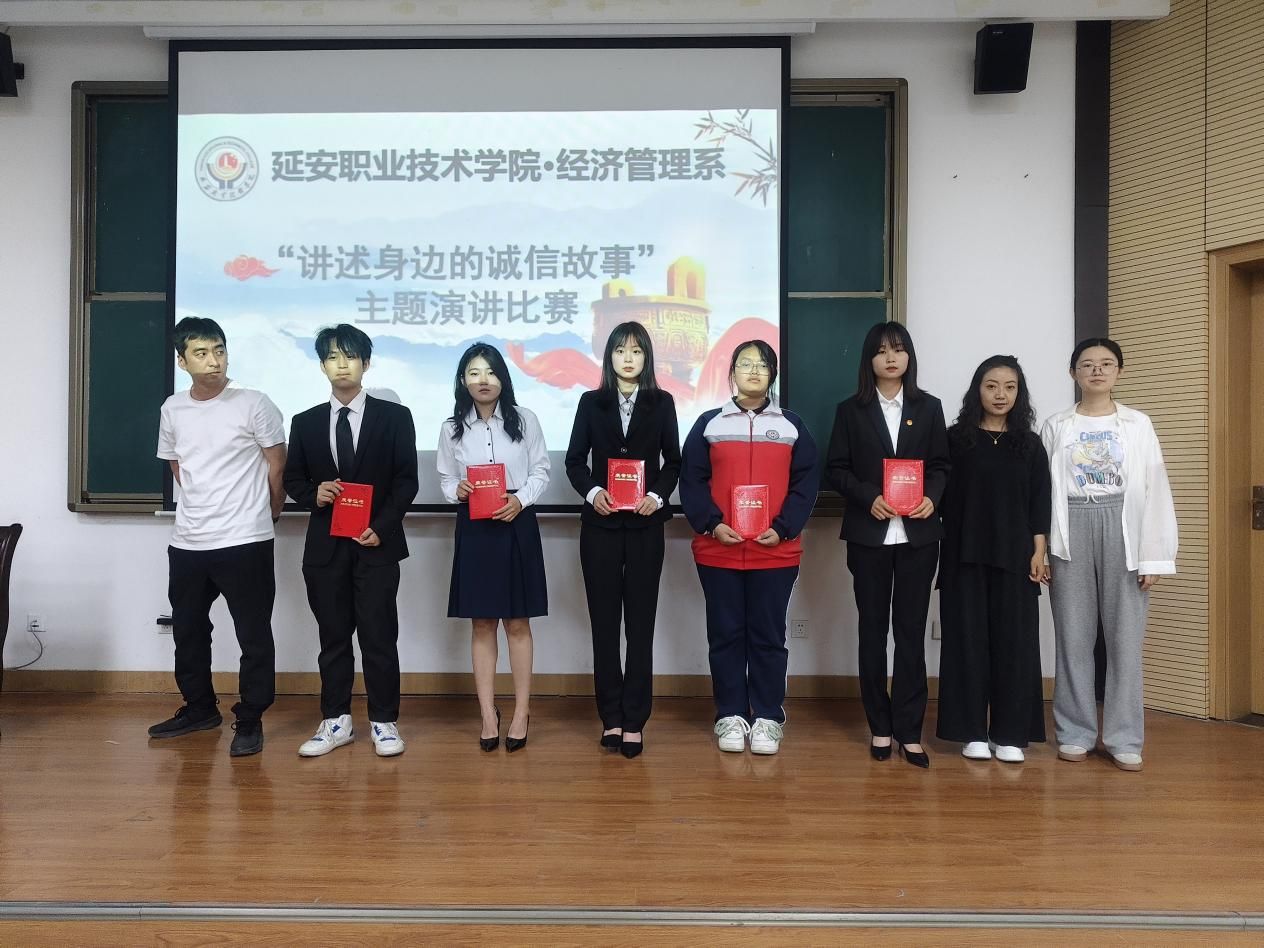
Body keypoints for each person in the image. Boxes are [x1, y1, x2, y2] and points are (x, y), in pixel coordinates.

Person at [150, 316, 286, 757]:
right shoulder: (173, 408)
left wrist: (269, 513)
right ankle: (199, 708)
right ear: (182, 361)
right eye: (202, 353)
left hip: (245, 538)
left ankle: (250, 718)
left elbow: (277, 464)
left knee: (253, 633)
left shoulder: (254, 403)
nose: (214, 360)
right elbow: (177, 466)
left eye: (220, 350)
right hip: (188, 541)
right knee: (188, 629)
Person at [1041, 338, 1177, 773]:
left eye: (1106, 363)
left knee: (1125, 640)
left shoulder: (1138, 424)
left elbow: (1155, 489)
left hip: (1124, 525)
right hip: (1071, 524)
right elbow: (1042, 492)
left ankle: (1124, 737)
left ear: (1119, 371)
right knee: (1072, 636)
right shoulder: (1056, 425)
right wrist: (1042, 548)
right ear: (1073, 373)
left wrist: (1153, 555)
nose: (1097, 370)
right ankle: (1075, 733)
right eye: (1087, 364)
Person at [283, 324, 418, 759]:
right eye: (332, 357)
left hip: (376, 544)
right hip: (325, 549)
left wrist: (383, 525)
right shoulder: (305, 422)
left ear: (366, 362)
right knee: (333, 638)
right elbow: (293, 479)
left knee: (379, 636)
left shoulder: (394, 417)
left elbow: (406, 481)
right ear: (322, 366)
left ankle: (383, 721)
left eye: (350, 356)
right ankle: (335, 720)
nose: (342, 365)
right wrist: (314, 493)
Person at [679, 339, 817, 756]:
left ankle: (768, 717)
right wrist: (712, 524)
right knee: (725, 635)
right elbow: (692, 481)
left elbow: (806, 484)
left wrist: (784, 528)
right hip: (718, 549)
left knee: (768, 636)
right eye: (745, 363)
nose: (754, 370)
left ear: (772, 374)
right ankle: (731, 714)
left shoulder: (792, 426)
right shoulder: (709, 423)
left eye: (762, 364)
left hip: (775, 552)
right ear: (732, 372)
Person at [823, 321, 949, 769]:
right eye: (881, 351)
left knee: (911, 633)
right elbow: (836, 469)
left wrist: (931, 497)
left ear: (909, 356)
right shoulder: (851, 410)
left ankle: (909, 731)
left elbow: (942, 466)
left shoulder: (929, 408)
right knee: (873, 631)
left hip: (918, 538)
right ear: (869, 359)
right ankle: (879, 725)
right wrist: (867, 497)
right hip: (869, 535)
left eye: (898, 349)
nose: (891, 358)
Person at [565, 321, 681, 759]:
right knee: (604, 625)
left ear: (647, 357)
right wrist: (593, 492)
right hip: (601, 527)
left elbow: (674, 462)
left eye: (636, 351)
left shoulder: (662, 402)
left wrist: (657, 495)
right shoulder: (590, 402)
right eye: (619, 350)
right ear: (608, 356)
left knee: (640, 626)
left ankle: (635, 720)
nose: (628, 358)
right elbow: (575, 461)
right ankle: (610, 717)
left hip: (646, 527)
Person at [936, 355, 1050, 763]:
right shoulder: (954, 440)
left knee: (1015, 645)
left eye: (1010, 387)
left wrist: (1039, 552)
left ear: (1019, 393)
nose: (1001, 394)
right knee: (966, 643)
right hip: (963, 555)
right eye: (991, 386)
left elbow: (1039, 502)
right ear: (977, 391)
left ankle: (1010, 734)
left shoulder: (1030, 444)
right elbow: (937, 494)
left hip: (1016, 557)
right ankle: (971, 733)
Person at [437, 343, 549, 753]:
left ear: (503, 377)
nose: (483, 380)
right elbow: (445, 478)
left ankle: (521, 712)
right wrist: (456, 489)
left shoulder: (525, 420)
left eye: (490, 372)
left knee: (517, 622)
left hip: (516, 521)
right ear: (462, 380)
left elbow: (541, 470)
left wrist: (521, 500)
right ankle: (487, 713)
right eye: (474, 372)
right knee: (482, 623)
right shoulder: (452, 427)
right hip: (475, 527)